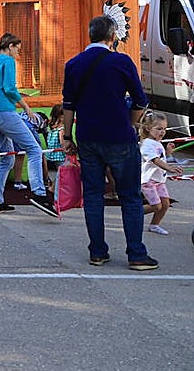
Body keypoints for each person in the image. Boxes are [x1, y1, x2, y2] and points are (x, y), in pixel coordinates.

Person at [61, 14, 155, 269]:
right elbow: (140, 100)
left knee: (93, 195)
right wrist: (133, 124)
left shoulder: (74, 64)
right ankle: (136, 254)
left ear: (90, 35)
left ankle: (97, 252)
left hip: (88, 137)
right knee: (130, 196)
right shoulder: (121, 62)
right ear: (112, 37)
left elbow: (68, 104)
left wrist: (68, 136)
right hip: (120, 137)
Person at [0, 33, 58, 218]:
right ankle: (39, 194)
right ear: (9, 46)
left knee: (7, 158)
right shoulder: (8, 62)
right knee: (34, 149)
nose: (18, 52)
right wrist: (26, 107)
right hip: (4, 112)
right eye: (17, 48)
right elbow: (10, 88)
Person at [138, 111, 179, 236]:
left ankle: (155, 225)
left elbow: (160, 157)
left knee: (165, 204)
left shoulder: (157, 143)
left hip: (159, 180)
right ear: (148, 128)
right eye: (159, 128)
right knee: (156, 206)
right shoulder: (146, 144)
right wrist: (169, 168)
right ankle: (133, 214)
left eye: (164, 129)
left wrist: (168, 152)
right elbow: (155, 160)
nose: (162, 132)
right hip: (148, 181)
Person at [41, 103, 66, 188]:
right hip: (60, 154)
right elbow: (63, 142)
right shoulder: (62, 129)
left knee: (60, 171)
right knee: (62, 172)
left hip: (53, 154)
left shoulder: (53, 127)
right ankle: (54, 187)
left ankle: (54, 186)